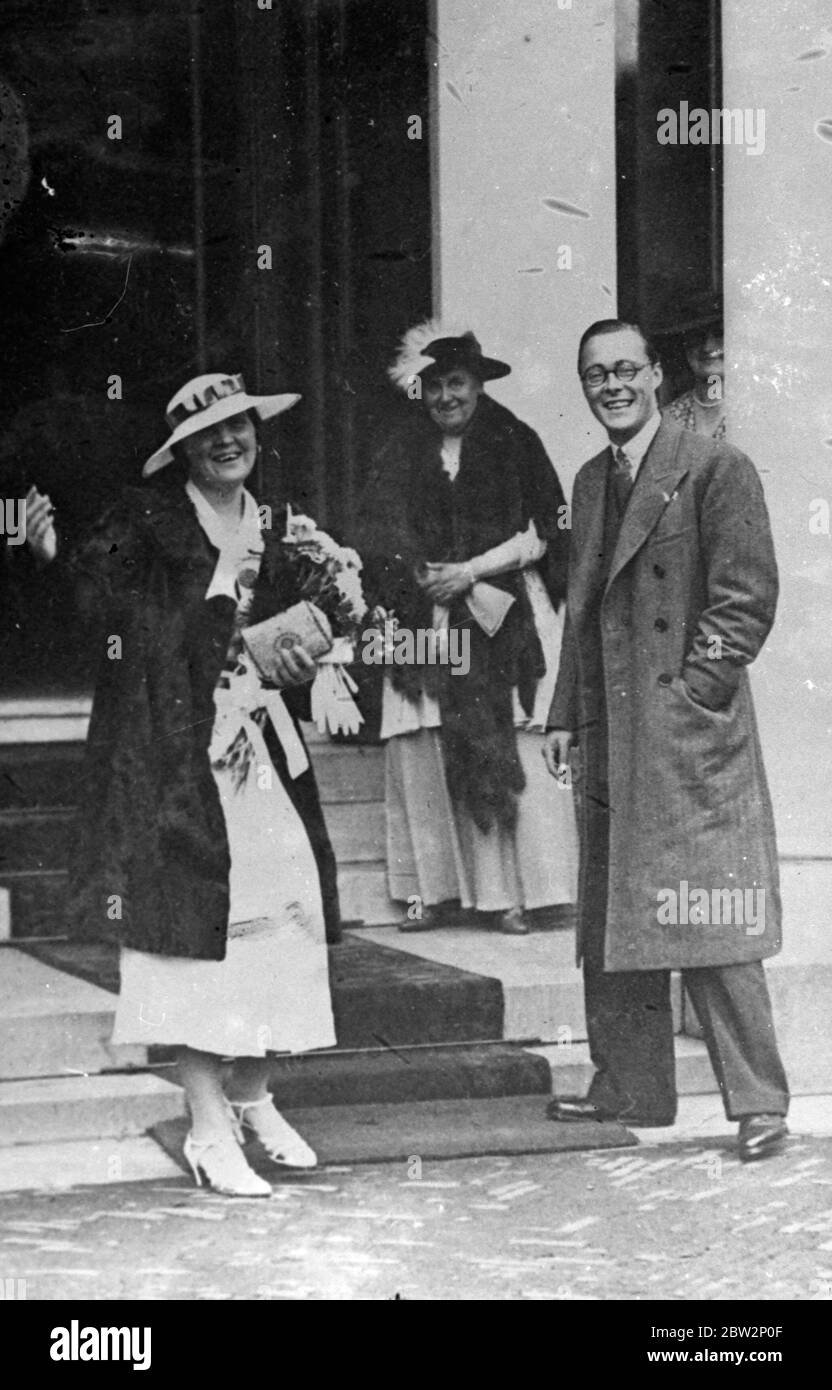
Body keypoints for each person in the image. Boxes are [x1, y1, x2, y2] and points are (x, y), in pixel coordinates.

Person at [25, 372, 341, 1196]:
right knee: (194, 930)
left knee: (285, 912)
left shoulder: (278, 527)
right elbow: (103, 618)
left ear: (255, 434)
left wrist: (319, 654)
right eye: (208, 435)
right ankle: (205, 1126)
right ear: (184, 452)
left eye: (238, 426)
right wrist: (59, 558)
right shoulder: (145, 519)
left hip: (259, 750)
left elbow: (304, 626)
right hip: (172, 757)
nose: (227, 441)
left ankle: (250, 1093)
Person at [543, 319, 789, 1163]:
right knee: (616, 911)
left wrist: (695, 697)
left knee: (712, 910)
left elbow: (745, 597)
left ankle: (758, 1103)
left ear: (655, 376)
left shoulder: (716, 465)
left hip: (684, 732)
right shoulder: (588, 479)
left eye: (624, 370)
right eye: (594, 374)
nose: (610, 385)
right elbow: (583, 607)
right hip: (612, 729)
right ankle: (629, 1086)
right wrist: (565, 713)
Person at [357, 324, 578, 936]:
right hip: (423, 610)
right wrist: (417, 572)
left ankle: (516, 893)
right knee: (421, 739)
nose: (446, 397)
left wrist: (473, 570)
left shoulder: (514, 439)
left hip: (500, 607)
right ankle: (433, 892)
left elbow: (546, 530)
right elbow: (377, 530)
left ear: (478, 385)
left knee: (503, 736)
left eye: (457, 383)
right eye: (434, 386)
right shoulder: (402, 448)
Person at [665, 308, 726, 440]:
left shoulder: (756, 408)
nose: (707, 347)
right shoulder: (670, 417)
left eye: (719, 334)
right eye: (697, 337)